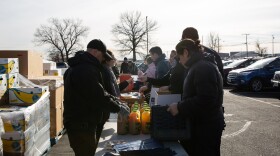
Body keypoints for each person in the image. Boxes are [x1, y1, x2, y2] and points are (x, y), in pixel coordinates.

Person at [63, 39, 129, 155]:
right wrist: (118, 108)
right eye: (102, 55)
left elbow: (100, 91)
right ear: (94, 51)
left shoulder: (80, 66)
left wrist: (116, 102)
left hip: (80, 122)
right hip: (81, 123)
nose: (103, 59)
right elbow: (98, 95)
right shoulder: (85, 69)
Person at [167, 39, 225, 156]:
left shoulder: (202, 67)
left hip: (205, 130)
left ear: (186, 52)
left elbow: (206, 99)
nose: (180, 61)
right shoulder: (200, 65)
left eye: (179, 57)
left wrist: (179, 107)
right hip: (202, 126)